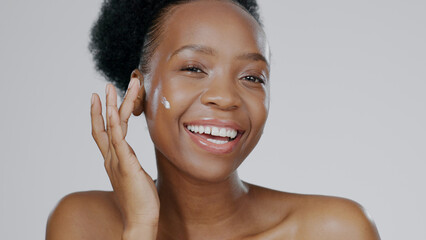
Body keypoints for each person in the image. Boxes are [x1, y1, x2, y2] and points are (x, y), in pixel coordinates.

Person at [46, 0, 381, 239]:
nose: (226, 97)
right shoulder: (84, 224)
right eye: (194, 68)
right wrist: (141, 225)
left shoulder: (335, 231)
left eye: (251, 77)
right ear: (138, 90)